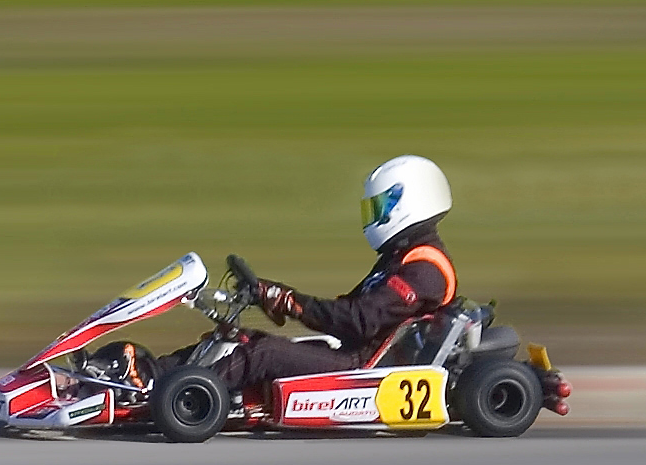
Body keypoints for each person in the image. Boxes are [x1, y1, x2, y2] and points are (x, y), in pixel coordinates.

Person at [155, 155, 460, 391]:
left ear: (413, 201)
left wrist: (291, 302)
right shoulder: (402, 258)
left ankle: (186, 396)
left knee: (263, 354)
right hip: (351, 353)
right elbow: (348, 312)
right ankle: (153, 375)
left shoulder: (425, 269)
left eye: (381, 207)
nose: (375, 217)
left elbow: (358, 321)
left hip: (363, 367)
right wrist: (276, 296)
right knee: (239, 340)